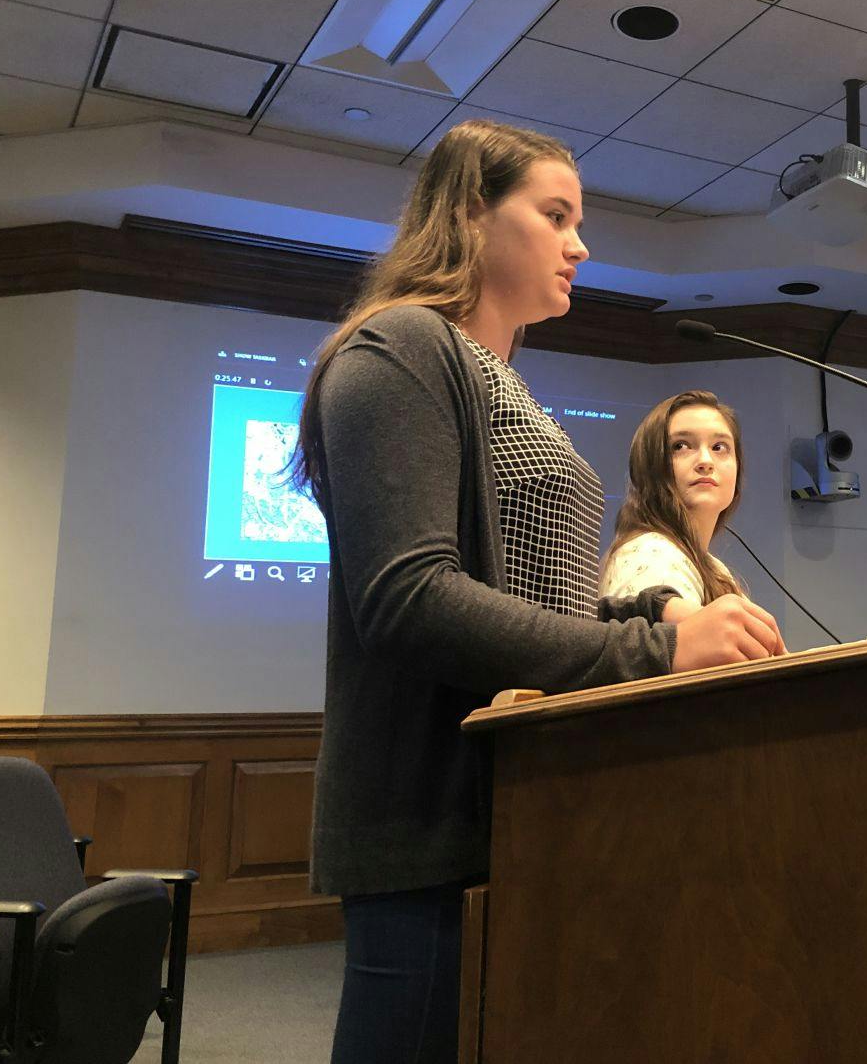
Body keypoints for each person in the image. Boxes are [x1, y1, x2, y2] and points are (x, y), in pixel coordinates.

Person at [291, 119, 786, 1064]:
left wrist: (653, 615)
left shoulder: (500, 379)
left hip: (524, 812)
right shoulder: (400, 348)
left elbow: (540, 601)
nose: (580, 243)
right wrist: (654, 650)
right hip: (433, 829)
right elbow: (411, 599)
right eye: (555, 215)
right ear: (473, 212)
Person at [601, 390, 750, 621]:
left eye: (719, 447)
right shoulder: (650, 553)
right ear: (648, 466)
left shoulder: (715, 568)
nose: (705, 461)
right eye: (681, 446)